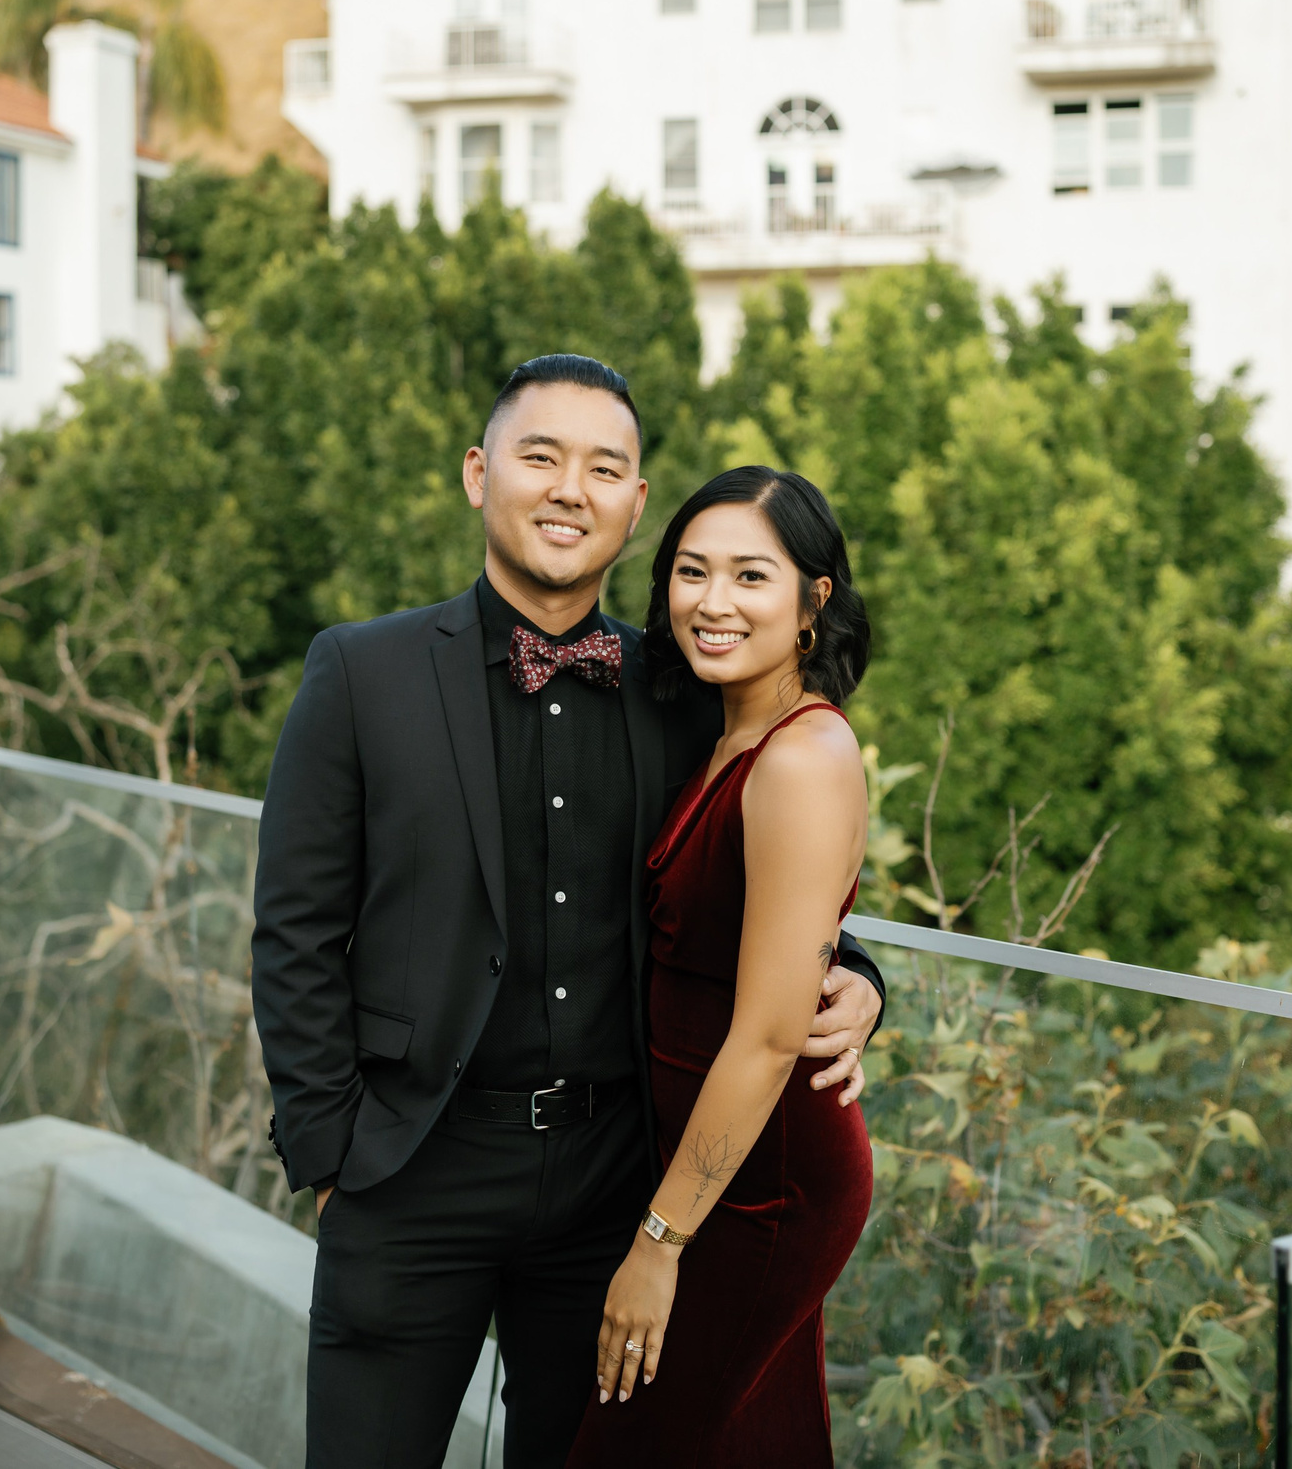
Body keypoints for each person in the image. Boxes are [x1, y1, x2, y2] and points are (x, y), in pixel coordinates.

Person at [251, 355, 889, 1469]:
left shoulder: (685, 688)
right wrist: (331, 1154)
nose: (568, 489)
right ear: (477, 472)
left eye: (604, 468)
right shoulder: (359, 673)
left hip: (613, 1185)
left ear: (634, 504)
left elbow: (774, 876)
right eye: (539, 456)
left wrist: (869, 980)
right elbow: (293, 931)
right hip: (410, 1174)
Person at [565, 465, 876, 1467]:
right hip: (708, 1165)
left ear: (810, 600)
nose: (712, 601)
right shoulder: (719, 731)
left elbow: (773, 1030)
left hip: (764, 1186)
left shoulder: (801, 757)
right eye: (691, 572)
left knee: (627, 1447)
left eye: (750, 576)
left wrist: (658, 1246)